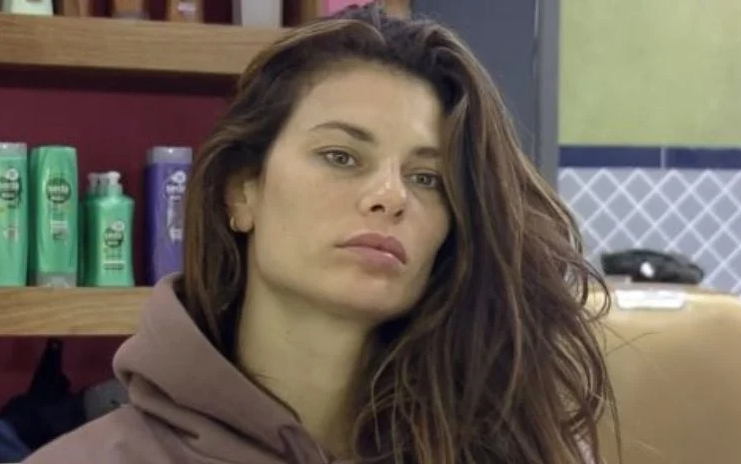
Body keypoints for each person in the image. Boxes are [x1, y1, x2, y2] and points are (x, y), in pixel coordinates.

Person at [22, 3, 615, 464]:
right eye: (341, 156)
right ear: (241, 192)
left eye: (427, 178)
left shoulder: (531, 448)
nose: (391, 195)